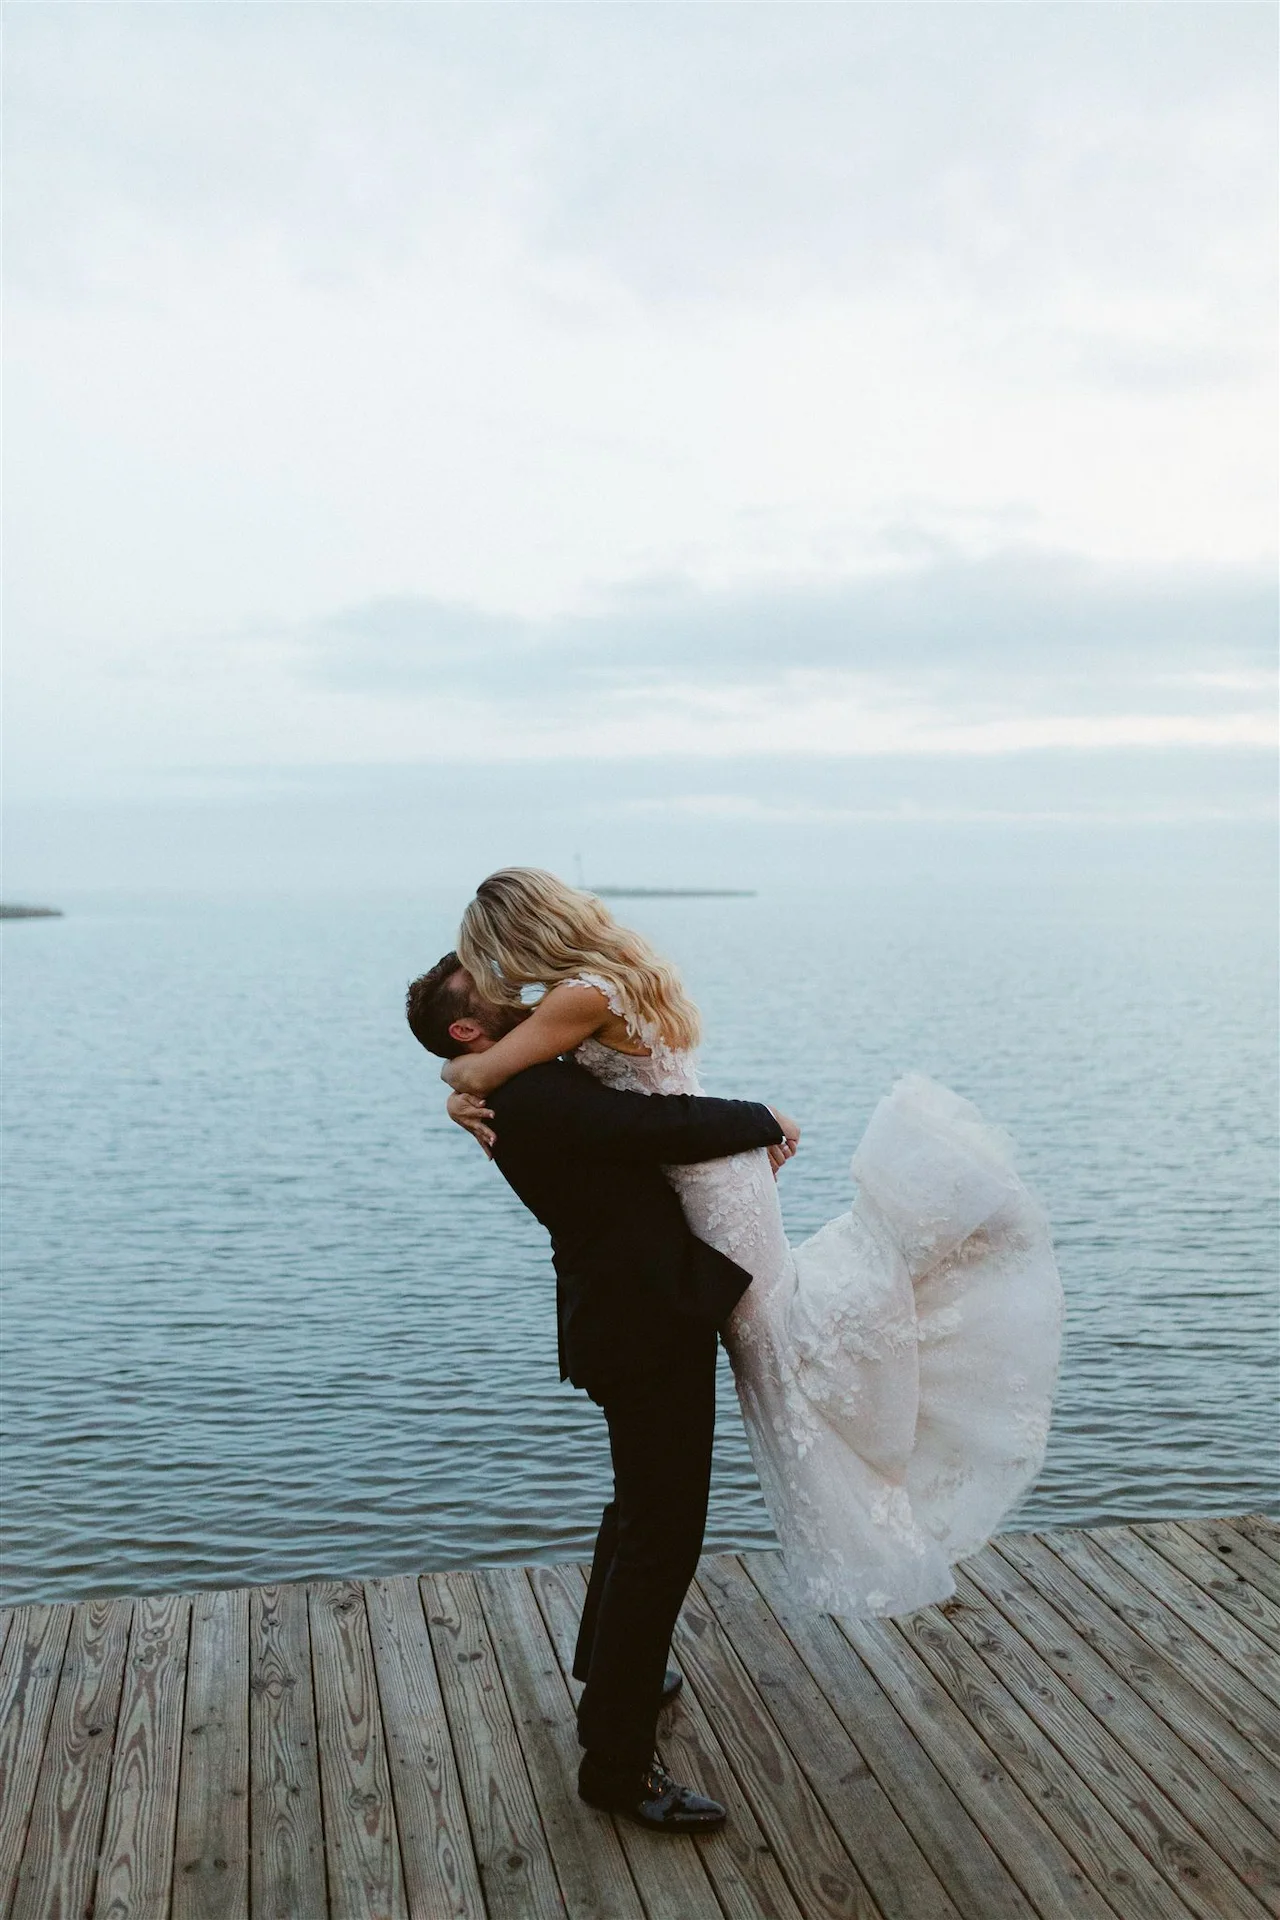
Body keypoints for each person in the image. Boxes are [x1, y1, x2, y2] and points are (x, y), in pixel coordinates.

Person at [439, 867, 1063, 1623]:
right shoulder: (611, 981)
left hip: (705, 1178)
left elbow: (484, 1066)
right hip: (707, 1174)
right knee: (781, 1343)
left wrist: (455, 1084)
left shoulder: (578, 998)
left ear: (518, 934)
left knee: (789, 1339)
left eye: (492, 958)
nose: (503, 985)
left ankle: (909, 1370)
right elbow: (581, 1097)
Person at [405, 950, 800, 1833]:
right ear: (468, 1029)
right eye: (489, 994)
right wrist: (765, 1116)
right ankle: (617, 1769)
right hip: (641, 1323)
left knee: (639, 1508)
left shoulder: (518, 1081)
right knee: (667, 1533)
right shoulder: (533, 1094)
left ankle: (611, 1666)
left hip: (625, 1311)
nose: (517, 997)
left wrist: (453, 1076)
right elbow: (661, 1127)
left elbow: (638, 1128)